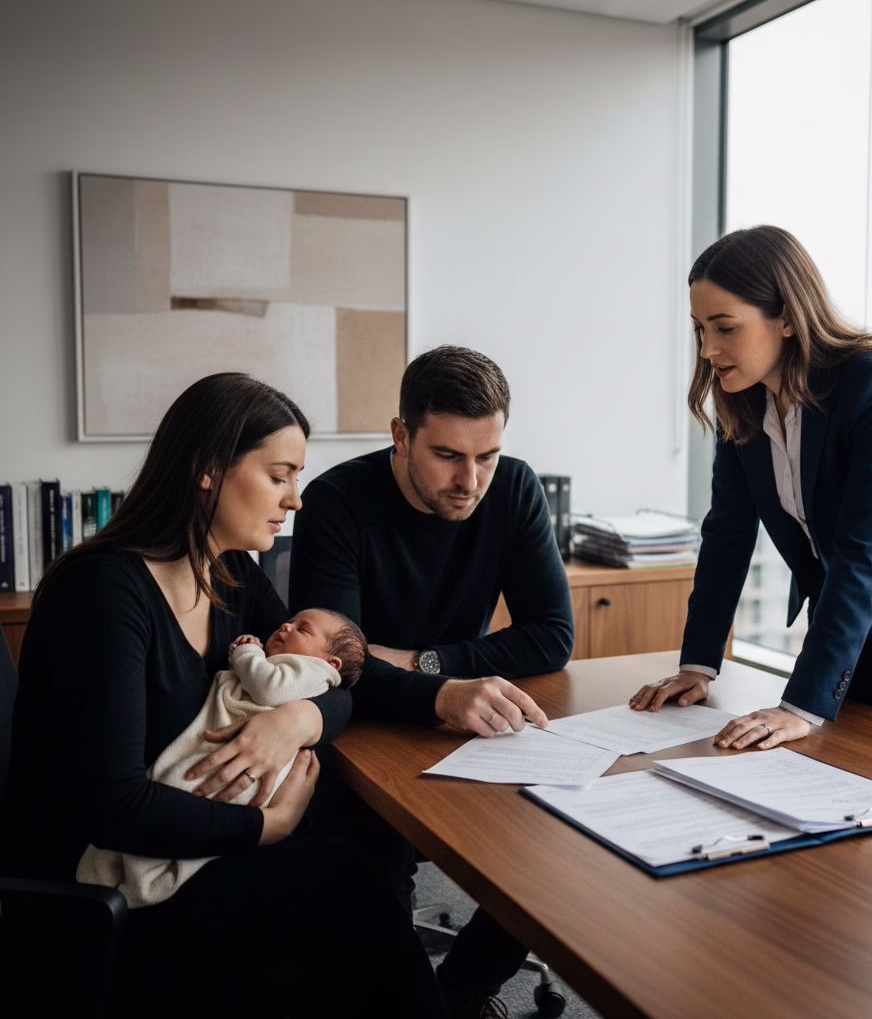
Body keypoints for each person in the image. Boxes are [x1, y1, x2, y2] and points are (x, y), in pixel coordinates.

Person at [3, 373, 445, 1018]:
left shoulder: (230, 572)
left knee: (354, 884)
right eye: (279, 475)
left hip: (195, 850)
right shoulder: (103, 593)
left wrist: (295, 718)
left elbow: (337, 679)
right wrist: (268, 826)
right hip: (115, 884)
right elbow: (114, 804)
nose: (295, 500)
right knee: (347, 895)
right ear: (208, 470)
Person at [630, 225, 872, 746]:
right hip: (849, 614)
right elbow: (726, 535)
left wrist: (803, 704)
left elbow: (865, 548)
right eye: (700, 329)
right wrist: (699, 666)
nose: (707, 349)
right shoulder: (742, 403)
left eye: (725, 328)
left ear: (787, 317)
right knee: (834, 765)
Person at [290, 344, 574, 1019]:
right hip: (360, 736)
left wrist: (424, 664)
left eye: (487, 455)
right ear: (401, 434)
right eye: (448, 455)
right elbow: (333, 671)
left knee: (555, 840)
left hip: (460, 719)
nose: (470, 479)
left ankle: (464, 988)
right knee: (369, 892)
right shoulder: (336, 501)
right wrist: (436, 688)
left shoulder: (514, 488)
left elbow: (552, 635)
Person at [76, 608, 367, 909]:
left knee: (351, 873)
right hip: (158, 815)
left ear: (331, 663)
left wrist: (248, 655)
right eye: (290, 621)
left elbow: (277, 687)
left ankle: (140, 871)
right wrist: (277, 822)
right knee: (349, 876)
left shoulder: (307, 668)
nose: (285, 625)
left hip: (240, 794)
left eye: (301, 629)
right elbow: (120, 804)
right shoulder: (119, 602)